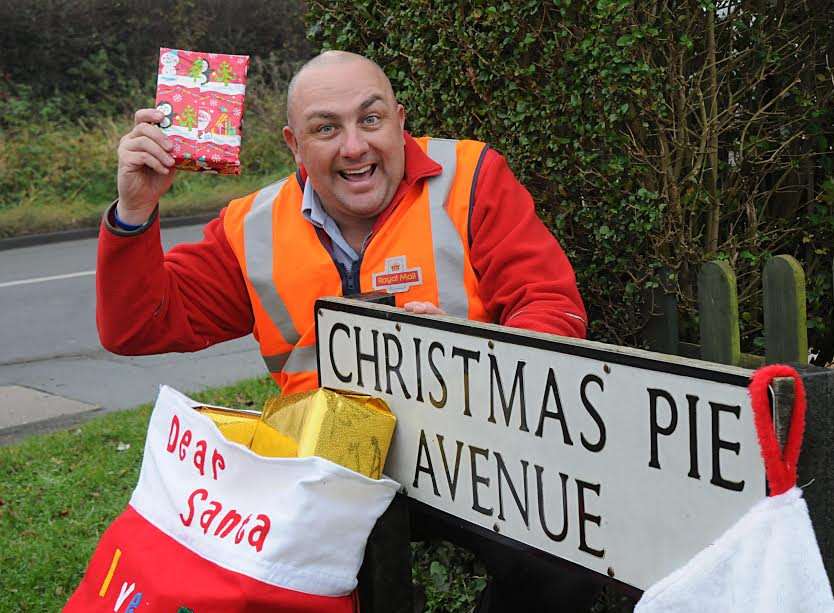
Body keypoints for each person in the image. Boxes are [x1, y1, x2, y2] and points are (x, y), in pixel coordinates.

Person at [97, 50, 592, 611]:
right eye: (326, 128)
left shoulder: (471, 176)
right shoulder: (251, 225)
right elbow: (136, 328)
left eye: (371, 119)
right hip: (319, 473)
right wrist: (133, 212)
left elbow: (549, 304)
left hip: (467, 462)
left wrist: (469, 353)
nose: (354, 146)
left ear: (400, 121)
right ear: (294, 145)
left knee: (559, 565)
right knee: (260, 580)